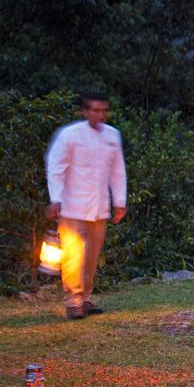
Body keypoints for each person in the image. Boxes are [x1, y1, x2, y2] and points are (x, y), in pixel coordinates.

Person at [45, 93, 127, 320]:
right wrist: (56, 198)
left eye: (103, 110)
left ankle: (86, 298)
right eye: (94, 110)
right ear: (85, 112)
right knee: (73, 253)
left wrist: (120, 201)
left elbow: (117, 171)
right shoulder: (70, 134)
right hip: (72, 204)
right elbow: (56, 166)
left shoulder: (112, 135)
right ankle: (73, 302)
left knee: (92, 254)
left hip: (99, 205)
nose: (99, 115)